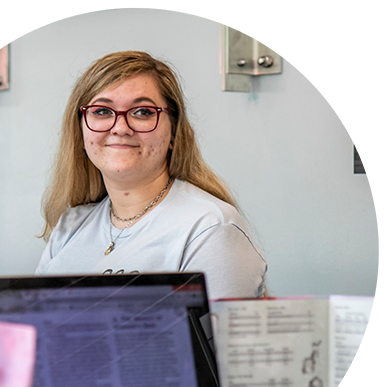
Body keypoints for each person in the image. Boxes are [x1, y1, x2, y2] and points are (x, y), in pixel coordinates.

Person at [36, 51, 267, 300]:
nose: (120, 128)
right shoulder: (70, 226)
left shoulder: (209, 228)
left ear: (174, 131)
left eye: (143, 112)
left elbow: (213, 339)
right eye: (102, 111)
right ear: (80, 131)